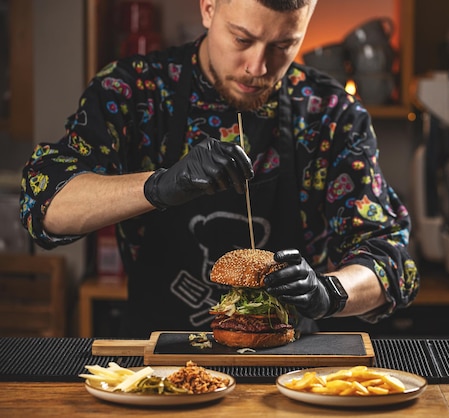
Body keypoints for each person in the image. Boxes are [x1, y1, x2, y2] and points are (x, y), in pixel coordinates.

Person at [19, 0, 419, 338]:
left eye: (284, 44)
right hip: (157, 366)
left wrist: (329, 292)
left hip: (288, 370)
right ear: (209, 8)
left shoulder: (331, 114)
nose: (257, 67)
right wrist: (158, 186)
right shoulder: (133, 90)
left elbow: (389, 258)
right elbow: (45, 202)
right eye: (242, 39)